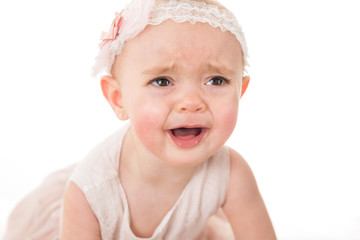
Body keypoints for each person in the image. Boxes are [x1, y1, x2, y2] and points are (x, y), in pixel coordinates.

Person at [3, 0, 276, 239]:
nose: (191, 102)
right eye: (162, 81)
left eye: (216, 80)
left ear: (240, 90)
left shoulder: (232, 174)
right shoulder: (90, 191)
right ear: (119, 98)